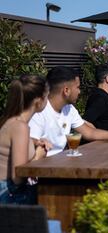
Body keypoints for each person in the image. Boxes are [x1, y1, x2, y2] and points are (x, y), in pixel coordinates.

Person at [29, 66, 108, 156]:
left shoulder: (69, 109)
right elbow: (29, 142)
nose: (79, 92)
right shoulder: (39, 111)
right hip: (40, 172)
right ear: (66, 90)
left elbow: (90, 133)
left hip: (61, 163)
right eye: (78, 87)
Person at [0, 74, 51, 204]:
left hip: (7, 191)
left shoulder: (13, 121)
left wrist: (35, 143)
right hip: (9, 194)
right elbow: (18, 177)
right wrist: (38, 156)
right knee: (56, 194)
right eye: (47, 97)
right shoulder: (20, 127)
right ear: (38, 101)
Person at [84, 63, 108, 131]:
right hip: (103, 141)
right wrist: (99, 134)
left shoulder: (100, 95)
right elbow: (84, 122)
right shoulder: (100, 98)